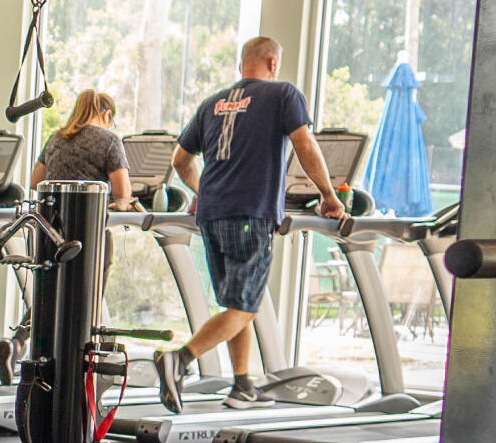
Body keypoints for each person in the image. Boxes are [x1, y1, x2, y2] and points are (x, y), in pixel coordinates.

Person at [151, 36, 345, 412]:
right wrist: (328, 195)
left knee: (236, 301)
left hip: (211, 216)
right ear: (272, 63)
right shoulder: (283, 94)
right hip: (250, 213)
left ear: (243, 66)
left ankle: (242, 385)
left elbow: (180, 160)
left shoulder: (212, 104)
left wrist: (203, 190)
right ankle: (181, 359)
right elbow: (305, 145)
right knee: (246, 306)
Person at [33, 88, 133, 207]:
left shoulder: (55, 138)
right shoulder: (110, 140)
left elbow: (35, 182)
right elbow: (122, 195)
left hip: (50, 221)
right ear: (107, 115)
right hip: (90, 220)